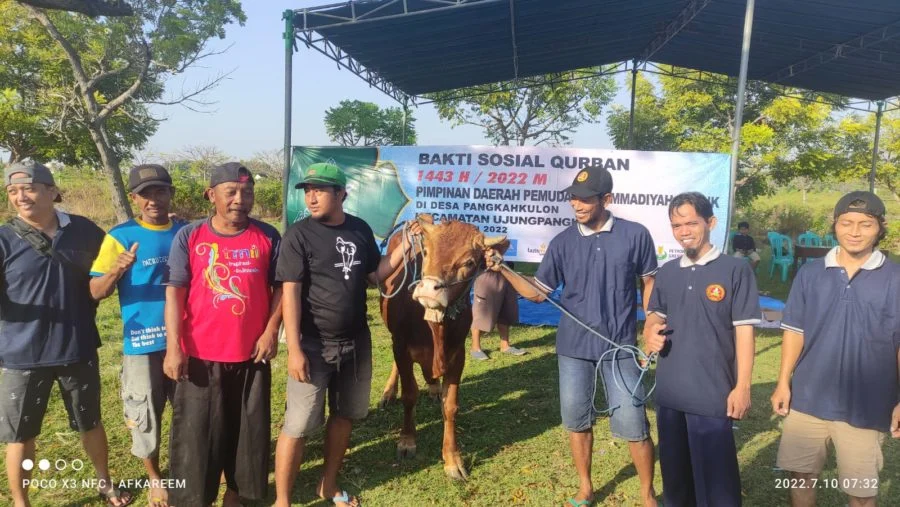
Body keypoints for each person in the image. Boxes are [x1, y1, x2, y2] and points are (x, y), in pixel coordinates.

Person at [486, 164, 659, 507]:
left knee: (633, 422)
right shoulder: (563, 242)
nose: (577, 206)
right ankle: (585, 488)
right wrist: (503, 267)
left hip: (619, 347)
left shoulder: (635, 235)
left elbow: (650, 280)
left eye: (585, 200)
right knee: (577, 421)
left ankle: (647, 494)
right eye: (573, 199)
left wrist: (651, 321)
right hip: (573, 349)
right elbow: (538, 292)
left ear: (606, 199)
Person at [274, 162, 421, 507]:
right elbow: (290, 295)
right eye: (308, 190)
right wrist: (294, 348)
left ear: (342, 193)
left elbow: (376, 274)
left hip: (356, 342)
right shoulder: (299, 235)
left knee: (344, 416)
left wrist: (404, 248)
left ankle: (327, 485)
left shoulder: (359, 229)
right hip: (312, 345)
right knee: (297, 425)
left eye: (320, 190)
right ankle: (282, 500)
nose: (311, 197)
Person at [0, 160, 133, 507]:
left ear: (52, 191)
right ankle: (20, 501)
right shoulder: (3, 240)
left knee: (90, 422)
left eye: (28, 188)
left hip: (77, 345)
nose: (21, 197)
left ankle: (105, 483)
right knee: (20, 435)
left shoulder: (85, 231)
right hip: (21, 354)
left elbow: (100, 284)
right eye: (13, 191)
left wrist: (117, 270)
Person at [163, 162, 282, 507]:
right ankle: (191, 499)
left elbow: (279, 288)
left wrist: (271, 330)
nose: (239, 200)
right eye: (230, 192)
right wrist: (174, 348)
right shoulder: (190, 237)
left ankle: (236, 496)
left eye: (247, 192)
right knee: (196, 438)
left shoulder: (268, 236)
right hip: (200, 356)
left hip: (252, 355)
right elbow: (175, 294)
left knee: (247, 435)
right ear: (211, 195)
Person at [770, 190, 900, 507]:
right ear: (835, 225)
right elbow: (795, 330)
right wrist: (783, 382)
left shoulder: (895, 278)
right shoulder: (811, 273)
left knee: (861, 493)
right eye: (847, 222)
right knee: (799, 479)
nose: (854, 231)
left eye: (865, 224)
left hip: (866, 405)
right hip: (808, 399)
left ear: (879, 227)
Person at [643, 192, 760, 507]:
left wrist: (743, 386)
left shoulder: (735, 270)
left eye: (691, 223)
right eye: (676, 225)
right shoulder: (667, 272)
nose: (684, 231)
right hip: (670, 394)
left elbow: (745, 330)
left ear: (710, 222)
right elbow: (655, 313)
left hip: (712, 394)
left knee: (716, 486)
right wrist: (649, 331)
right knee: (676, 481)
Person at [89, 164, 183, 507]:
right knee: (145, 415)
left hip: (186, 340)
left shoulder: (185, 232)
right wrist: (117, 269)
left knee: (191, 410)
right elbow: (96, 291)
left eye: (159, 191)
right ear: (134, 198)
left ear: (170, 193)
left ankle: (193, 466)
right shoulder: (120, 237)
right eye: (145, 194)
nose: (153, 200)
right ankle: (155, 478)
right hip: (142, 344)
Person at [470, 262, 526, 360]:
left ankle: (505, 346)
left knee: (506, 309)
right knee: (481, 312)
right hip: (487, 271)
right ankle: (475, 348)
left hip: (508, 270)